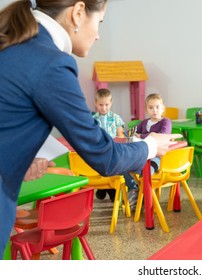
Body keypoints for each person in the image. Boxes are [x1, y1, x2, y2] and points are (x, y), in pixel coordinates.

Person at [0, 0, 180, 258]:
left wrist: (18, 157)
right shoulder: (51, 62)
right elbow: (105, 157)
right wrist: (151, 145)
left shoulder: (14, 44)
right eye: (100, 23)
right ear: (78, 12)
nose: (97, 34)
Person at [127, 93, 172, 208]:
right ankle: (135, 189)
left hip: (157, 157)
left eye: (157, 107)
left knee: (147, 173)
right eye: (151, 107)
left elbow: (160, 136)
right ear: (146, 109)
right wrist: (132, 134)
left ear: (163, 108)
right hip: (142, 155)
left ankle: (145, 199)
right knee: (123, 166)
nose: (155, 110)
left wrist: (141, 136)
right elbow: (131, 132)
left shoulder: (165, 122)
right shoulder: (145, 122)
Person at [92, 88, 130, 201]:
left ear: (111, 103)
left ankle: (107, 189)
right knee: (100, 166)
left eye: (107, 104)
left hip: (113, 149)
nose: (104, 108)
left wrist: (118, 141)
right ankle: (104, 188)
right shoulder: (92, 119)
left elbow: (120, 135)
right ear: (95, 103)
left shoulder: (116, 118)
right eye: (100, 105)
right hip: (99, 149)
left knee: (114, 166)